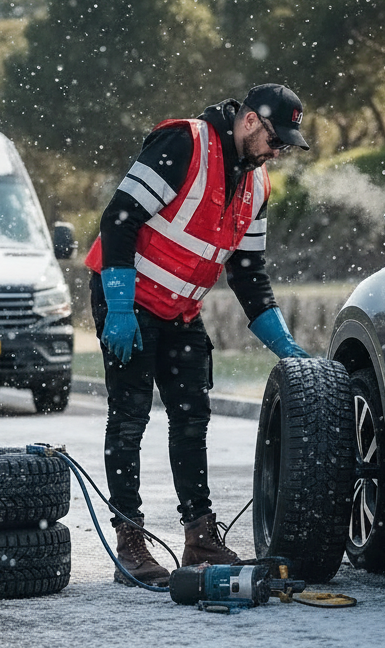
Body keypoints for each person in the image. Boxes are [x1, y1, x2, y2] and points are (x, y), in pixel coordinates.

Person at [85, 83, 312, 587]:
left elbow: (248, 274)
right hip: (126, 298)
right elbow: (118, 221)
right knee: (129, 419)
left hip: (181, 310)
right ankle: (130, 541)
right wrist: (119, 307)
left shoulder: (259, 186)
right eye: (276, 140)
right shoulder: (184, 143)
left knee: (192, 419)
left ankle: (200, 538)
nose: (278, 152)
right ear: (250, 121)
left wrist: (286, 347)